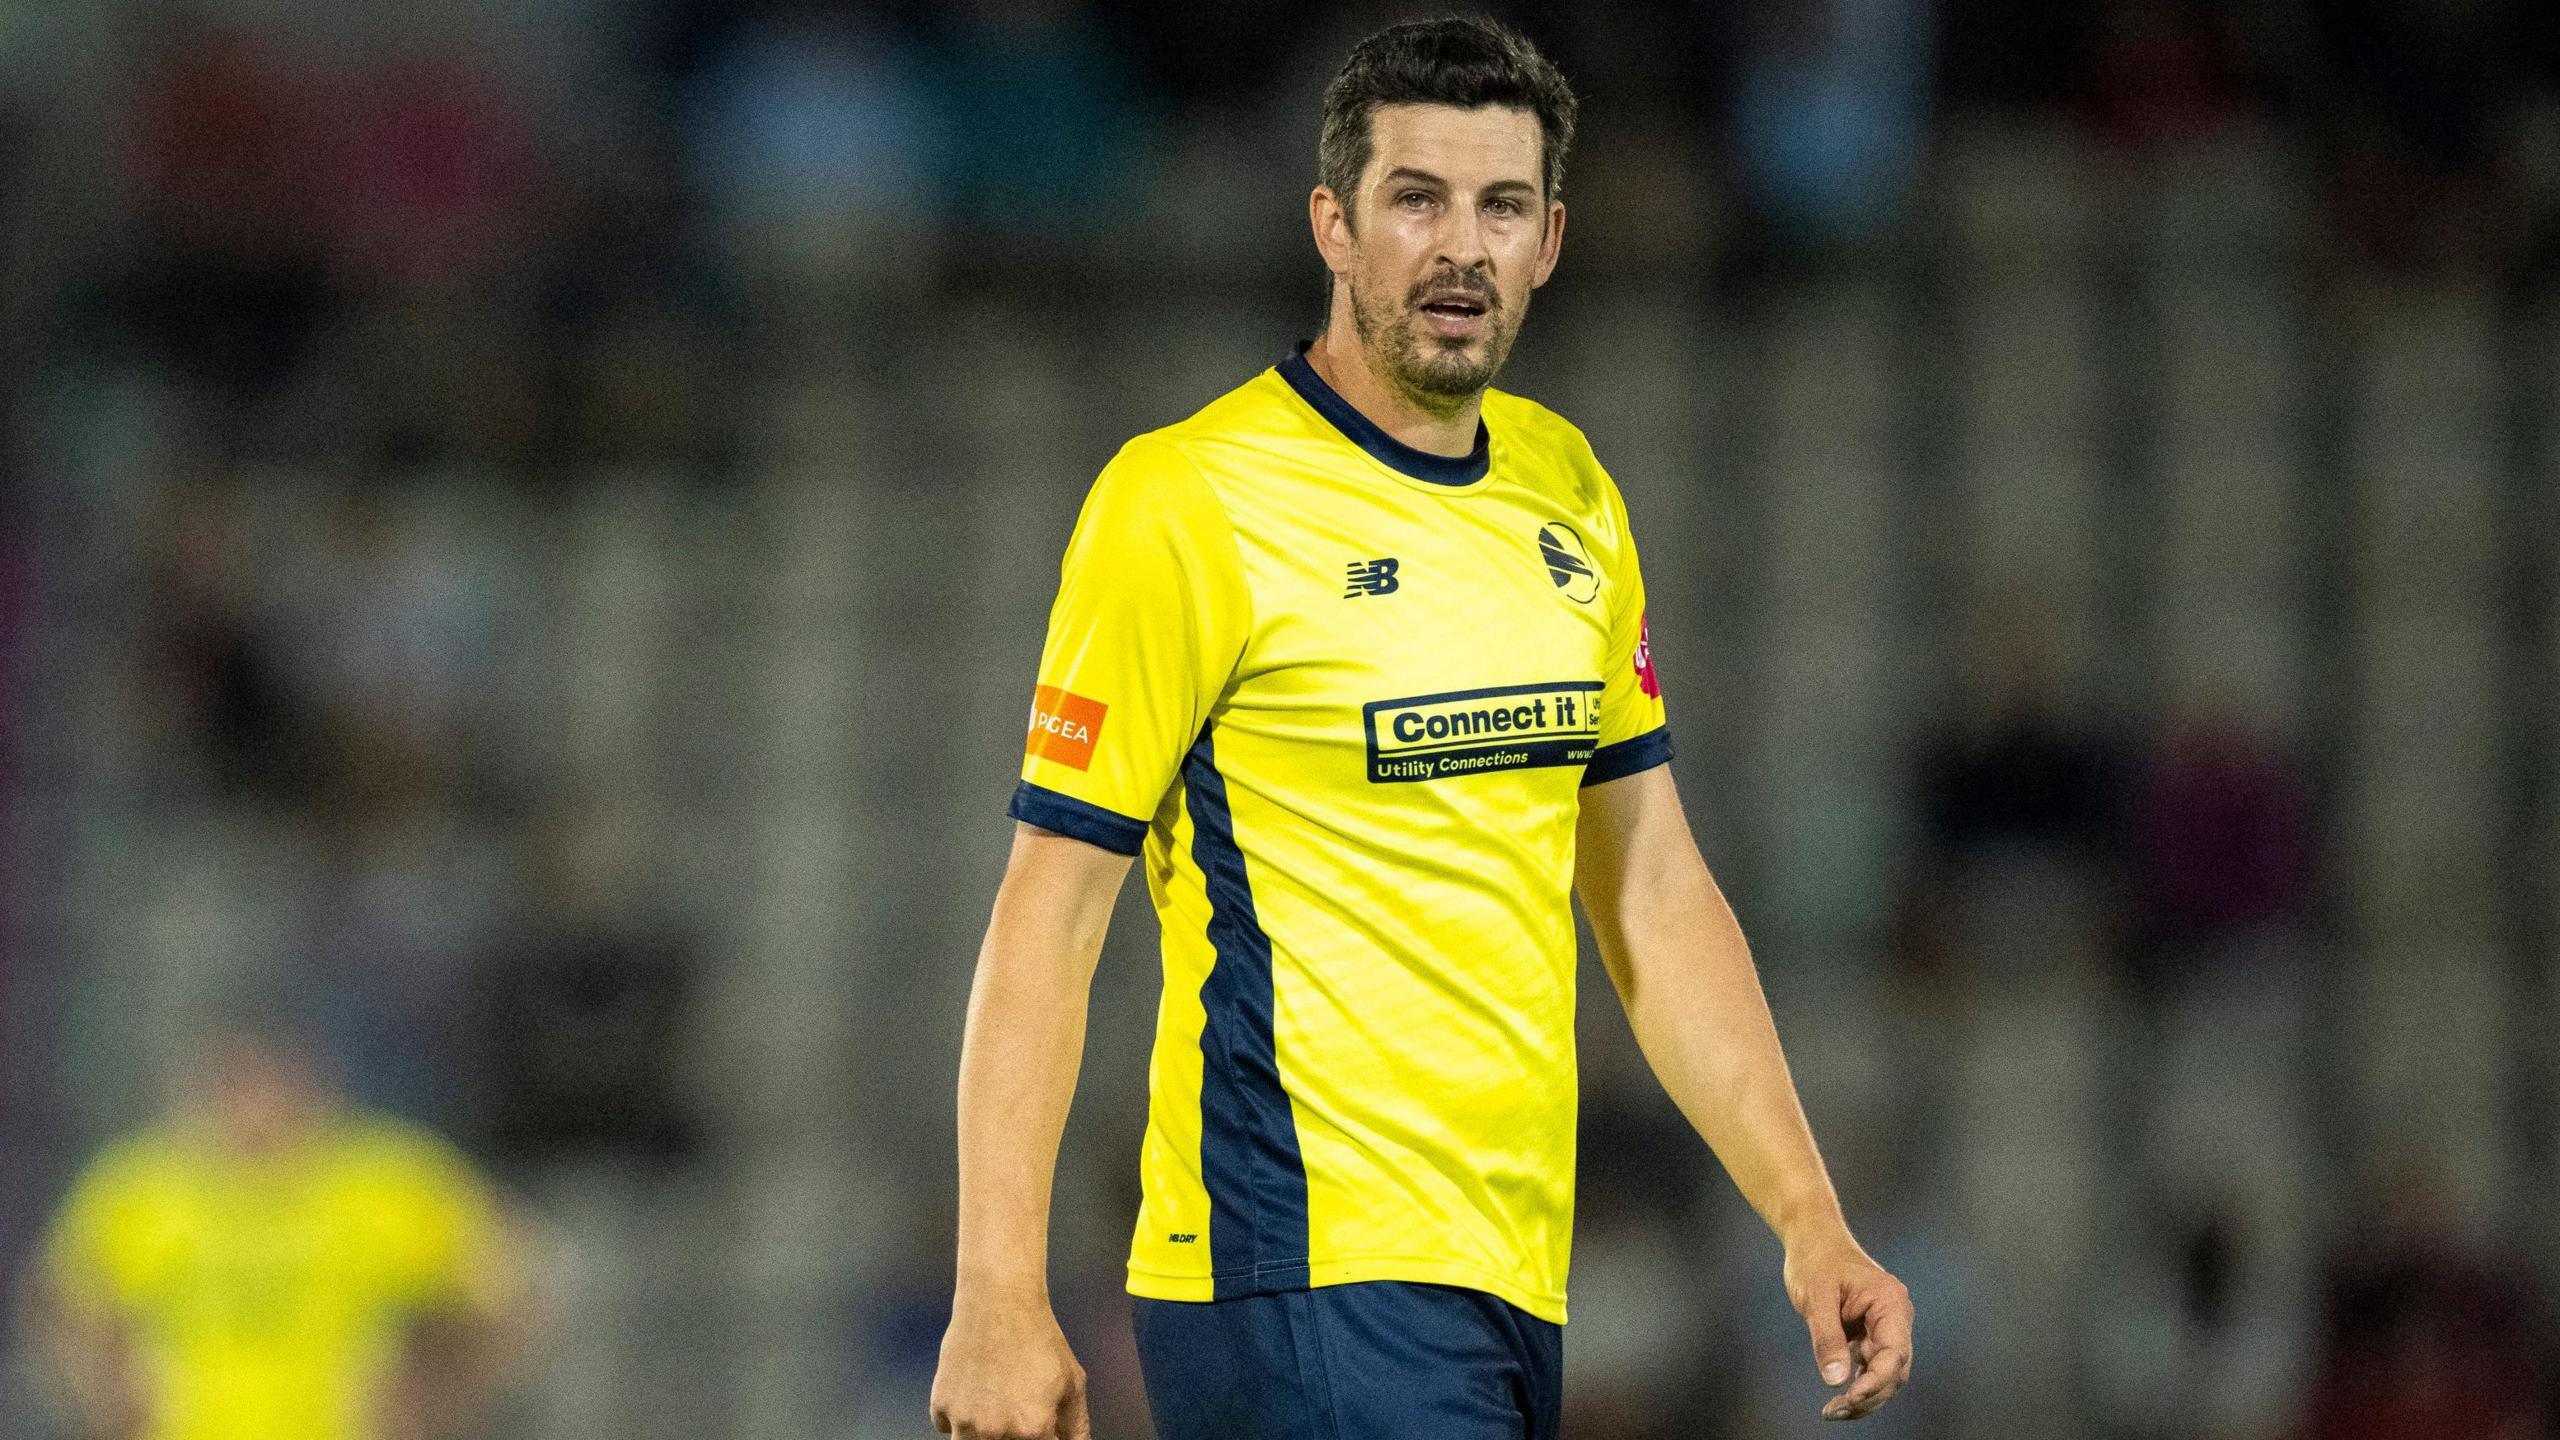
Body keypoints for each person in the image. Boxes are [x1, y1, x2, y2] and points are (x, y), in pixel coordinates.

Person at [930, 17, 1913, 1439]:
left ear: (1551, 240)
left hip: (1510, 1276)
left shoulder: (1569, 492)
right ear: (1334, 224)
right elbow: (1050, 912)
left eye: (1501, 206)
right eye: (1417, 200)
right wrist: (996, 1291)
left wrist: (1809, 1218)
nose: (1462, 247)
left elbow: (1648, 885)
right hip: (1295, 1265)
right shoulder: (1185, 505)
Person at [25, 1018, 536, 1440]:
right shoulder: (142, 1191)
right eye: (237, 1086)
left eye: (271, 1085)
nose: (257, 1108)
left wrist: (434, 1397)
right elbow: (65, 1308)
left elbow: (502, 1295)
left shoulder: (389, 1184)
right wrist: (109, 1403)